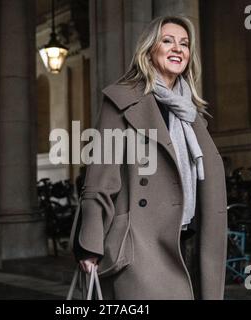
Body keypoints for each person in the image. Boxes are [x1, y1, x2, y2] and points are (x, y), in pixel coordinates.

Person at [69, 15, 227, 300]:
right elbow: (101, 178)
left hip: (190, 239)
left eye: (184, 44)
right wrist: (90, 245)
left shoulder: (191, 113)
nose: (177, 49)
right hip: (141, 244)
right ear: (149, 50)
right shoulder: (122, 99)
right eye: (167, 41)